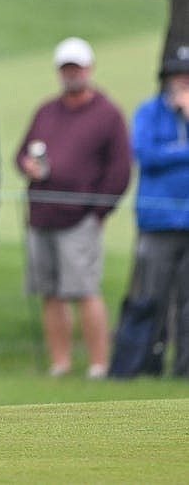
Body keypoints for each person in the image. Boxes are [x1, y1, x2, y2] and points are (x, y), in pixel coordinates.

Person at [15, 37, 131, 378]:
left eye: (77, 67)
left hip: (80, 218)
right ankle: (60, 363)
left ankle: (98, 364)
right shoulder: (46, 110)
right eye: (66, 68)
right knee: (50, 292)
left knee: (83, 290)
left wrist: (99, 213)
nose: (72, 74)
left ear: (89, 69)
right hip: (42, 215)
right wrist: (27, 166)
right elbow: (21, 154)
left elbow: (119, 170)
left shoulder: (107, 114)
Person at [126, 43, 189, 377]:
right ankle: (145, 367)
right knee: (153, 299)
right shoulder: (149, 112)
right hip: (158, 222)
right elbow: (146, 155)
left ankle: (185, 370)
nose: (183, 82)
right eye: (178, 76)